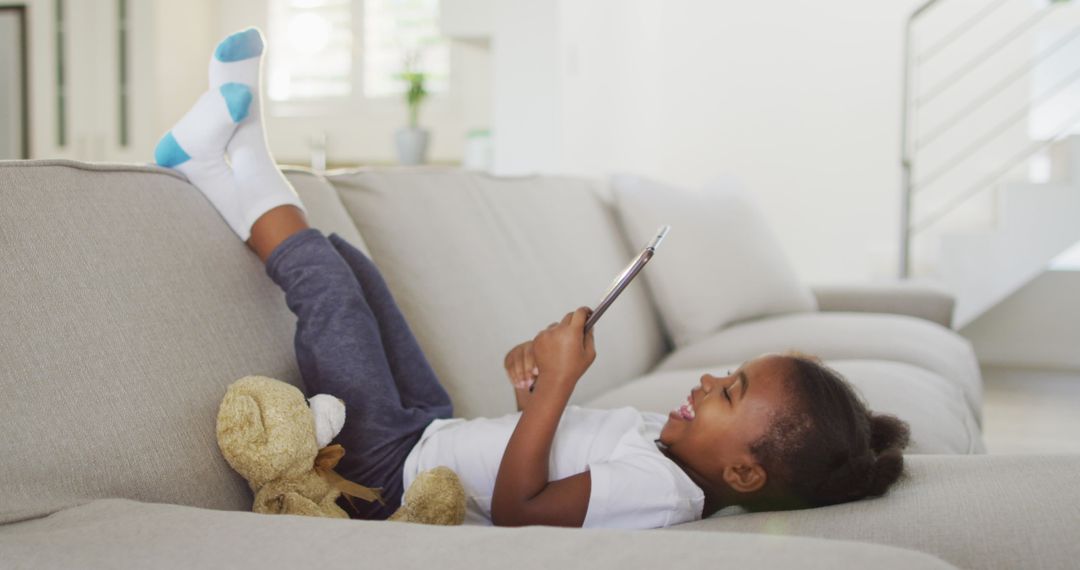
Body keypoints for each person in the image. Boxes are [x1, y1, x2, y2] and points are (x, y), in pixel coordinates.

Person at [156, 28, 911, 529]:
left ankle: (236, 160)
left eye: (730, 394)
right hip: (429, 427)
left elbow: (520, 510)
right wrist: (533, 394)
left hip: (390, 476)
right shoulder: (672, 451)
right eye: (730, 376)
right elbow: (543, 454)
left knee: (329, 291)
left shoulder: (666, 492)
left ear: (742, 472)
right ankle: (227, 166)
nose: (711, 381)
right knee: (352, 264)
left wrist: (553, 391)